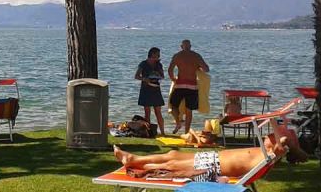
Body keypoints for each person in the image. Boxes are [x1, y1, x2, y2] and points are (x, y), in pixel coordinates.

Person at [114, 121, 308, 182]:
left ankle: (133, 162)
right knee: (173, 154)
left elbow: (283, 145)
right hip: (213, 158)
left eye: (271, 134)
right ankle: (134, 158)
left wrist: (279, 129)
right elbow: (282, 142)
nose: (268, 135)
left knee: (171, 165)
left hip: (214, 166)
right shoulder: (264, 151)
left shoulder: (272, 154)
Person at [168, 39, 209, 135]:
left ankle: (178, 123)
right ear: (190, 46)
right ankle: (186, 133)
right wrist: (198, 67)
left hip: (180, 85)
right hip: (192, 86)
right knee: (189, 111)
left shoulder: (177, 56)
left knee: (173, 105)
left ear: (181, 46)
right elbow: (206, 69)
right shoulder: (196, 56)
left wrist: (173, 79)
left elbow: (170, 70)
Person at [135, 47, 166, 136]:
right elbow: (137, 76)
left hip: (156, 88)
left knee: (158, 111)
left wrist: (158, 75)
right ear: (152, 54)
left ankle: (162, 132)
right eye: (157, 54)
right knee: (147, 112)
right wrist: (145, 79)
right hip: (146, 89)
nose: (159, 56)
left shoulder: (158, 64)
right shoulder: (143, 64)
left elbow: (162, 76)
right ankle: (148, 133)